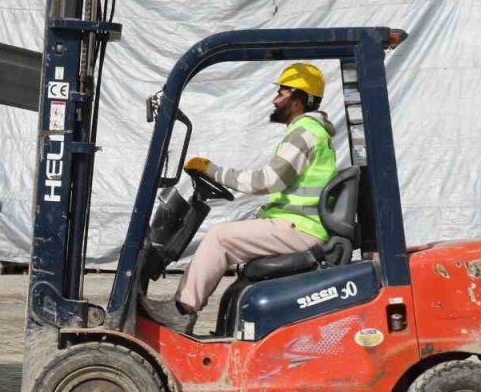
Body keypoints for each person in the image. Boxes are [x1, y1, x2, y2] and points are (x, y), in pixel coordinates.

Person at [139, 63, 338, 333]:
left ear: (299, 98)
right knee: (227, 235)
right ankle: (185, 307)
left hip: (301, 227)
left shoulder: (304, 132)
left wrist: (215, 171)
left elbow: (268, 180)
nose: (275, 99)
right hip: (298, 224)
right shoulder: (310, 131)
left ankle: (181, 310)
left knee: (220, 237)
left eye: (281, 93)